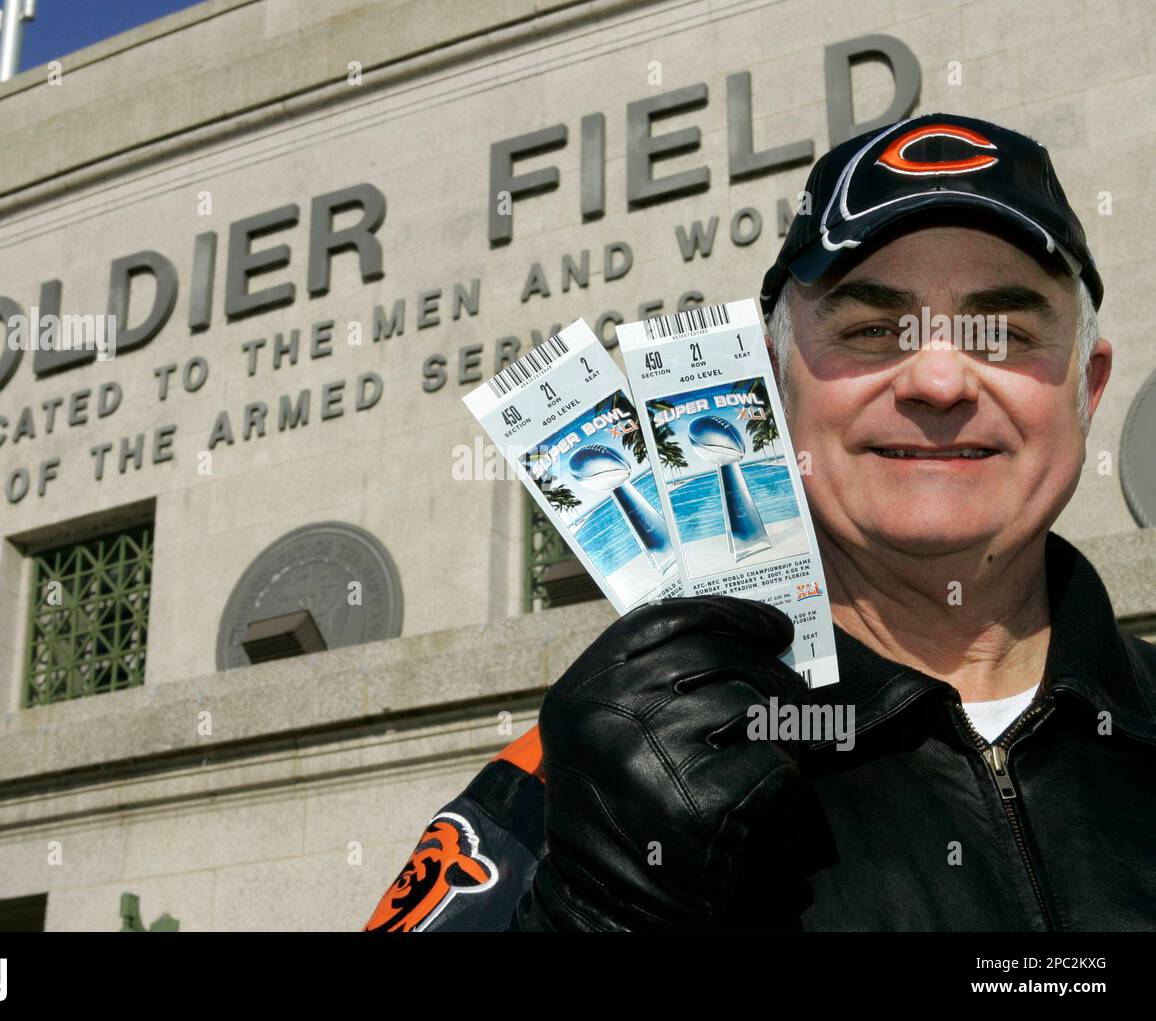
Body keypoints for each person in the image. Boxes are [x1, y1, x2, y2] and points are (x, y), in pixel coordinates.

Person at [362, 112, 1156, 932]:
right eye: (873, 330)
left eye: (1002, 332)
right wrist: (590, 915)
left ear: (1086, 390)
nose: (940, 380)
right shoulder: (593, 772)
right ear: (773, 387)